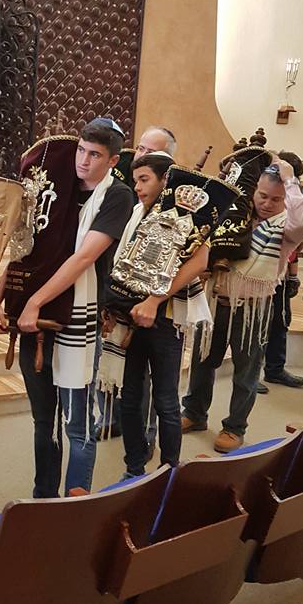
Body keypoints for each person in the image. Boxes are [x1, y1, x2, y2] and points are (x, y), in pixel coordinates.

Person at [0, 118, 134, 497]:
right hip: (36, 320)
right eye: (81, 151)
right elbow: (26, 246)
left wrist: (34, 301)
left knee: (77, 422)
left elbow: (84, 257)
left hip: (76, 319)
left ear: (112, 160)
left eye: (95, 155)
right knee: (44, 419)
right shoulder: (58, 187)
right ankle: (43, 497)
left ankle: (76, 501)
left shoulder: (117, 195)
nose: (83, 161)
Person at [182, 158, 303, 452]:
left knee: (246, 370)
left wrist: (290, 179)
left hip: (254, 308)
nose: (267, 204)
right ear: (253, 191)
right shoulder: (235, 215)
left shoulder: (286, 228)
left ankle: (234, 427)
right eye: (262, 196)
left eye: (277, 199)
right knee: (203, 361)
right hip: (215, 300)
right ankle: (194, 413)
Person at [113, 153, 211, 476]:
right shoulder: (137, 212)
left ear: (164, 180)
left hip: (166, 318)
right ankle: (134, 467)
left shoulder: (188, 213)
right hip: (131, 313)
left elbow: (198, 263)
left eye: (145, 180)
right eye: (135, 180)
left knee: (166, 399)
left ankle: (169, 471)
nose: (138, 187)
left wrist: (155, 300)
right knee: (130, 397)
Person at [96, 123, 178, 441]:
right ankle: (119, 427)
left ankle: (150, 436)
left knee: (159, 390)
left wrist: (153, 300)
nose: (140, 154)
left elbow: (192, 264)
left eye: (150, 151)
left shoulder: (177, 212)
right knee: (126, 381)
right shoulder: (131, 203)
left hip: (158, 311)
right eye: (140, 148)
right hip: (123, 298)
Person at [257, 150, 303, 393]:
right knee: (254, 325)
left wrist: (294, 275)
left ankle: (275, 368)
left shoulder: (296, 197)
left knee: (279, 321)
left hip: (280, 272)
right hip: (257, 271)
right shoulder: (258, 192)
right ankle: (250, 372)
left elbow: (298, 241)